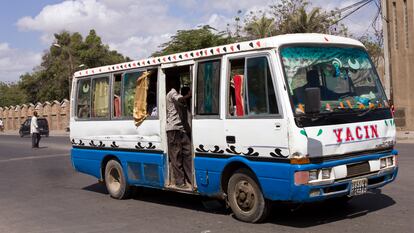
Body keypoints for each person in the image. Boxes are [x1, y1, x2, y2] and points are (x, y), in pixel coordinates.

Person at [166, 78, 192, 189]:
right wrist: (189, 95)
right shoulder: (172, 92)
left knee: (187, 153)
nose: (178, 82)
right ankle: (179, 182)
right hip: (174, 129)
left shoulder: (176, 93)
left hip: (181, 129)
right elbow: (180, 99)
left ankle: (191, 178)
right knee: (176, 156)